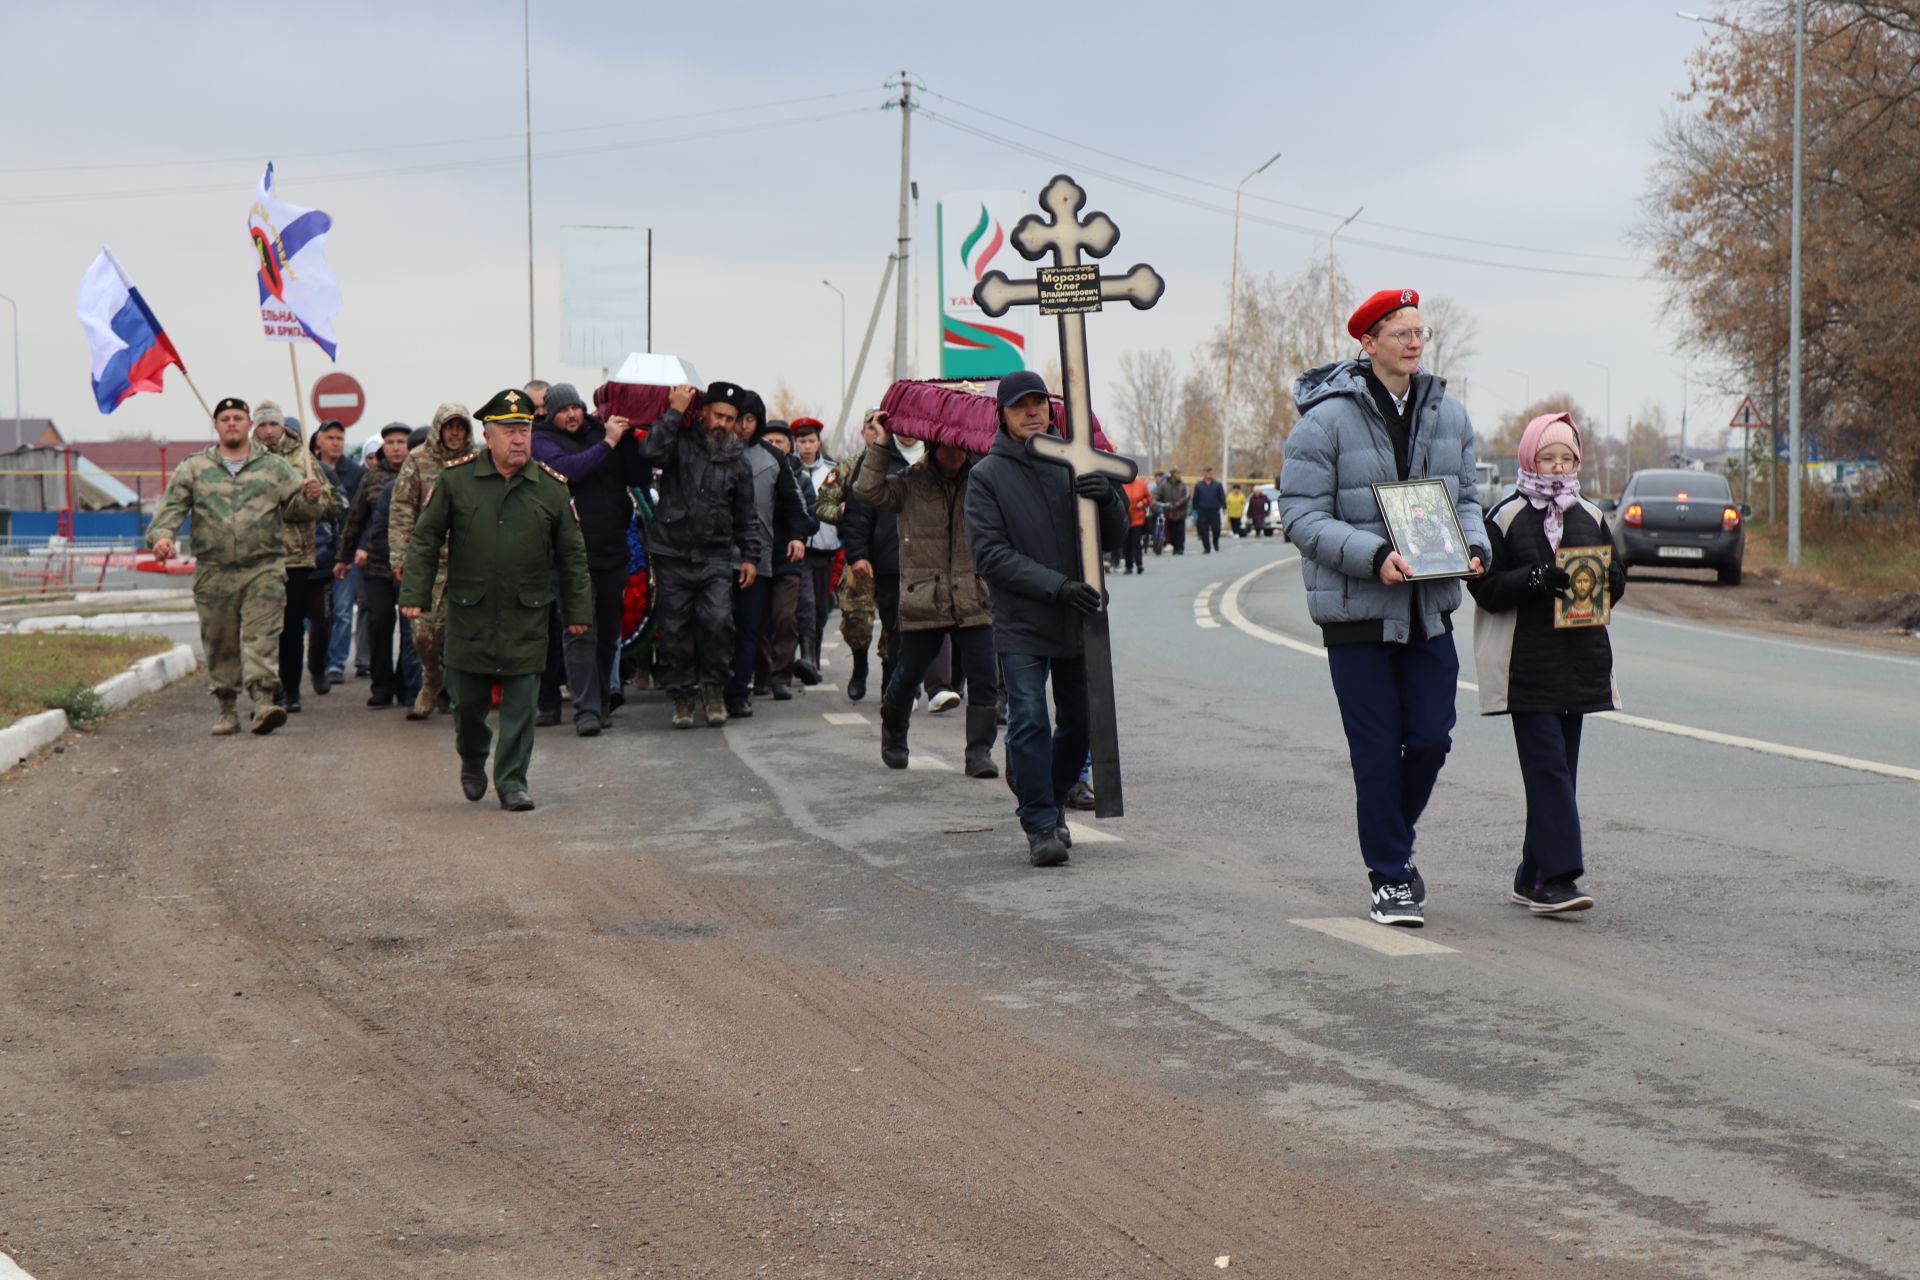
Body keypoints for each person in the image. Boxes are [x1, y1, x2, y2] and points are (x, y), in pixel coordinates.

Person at [1277, 287, 1488, 928]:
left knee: (1430, 738)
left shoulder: (1449, 415)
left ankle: (1392, 840)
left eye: (1421, 332)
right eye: (1401, 333)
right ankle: (1389, 875)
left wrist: (1474, 546)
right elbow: (1300, 516)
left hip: (1430, 608)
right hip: (1358, 613)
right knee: (1375, 750)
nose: (1416, 342)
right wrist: (1372, 556)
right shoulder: (1323, 422)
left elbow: (1471, 498)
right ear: (1368, 344)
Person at [967, 370, 1129, 868]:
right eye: (1020, 406)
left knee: (1080, 723)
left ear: (1051, 409)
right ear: (1004, 415)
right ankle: (1039, 823)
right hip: (1024, 620)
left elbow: (1116, 539)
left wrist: (1108, 499)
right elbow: (990, 556)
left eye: (1038, 403)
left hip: (1081, 618)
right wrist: (1055, 586)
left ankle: (1056, 799)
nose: (1031, 411)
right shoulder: (986, 475)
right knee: (1030, 720)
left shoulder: (1076, 463)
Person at [401, 388, 590, 812]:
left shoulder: (551, 488)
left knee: (522, 706)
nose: (519, 439)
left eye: (524, 429)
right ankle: (472, 757)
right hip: (471, 615)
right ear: (489, 435)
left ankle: (511, 781)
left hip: (527, 615)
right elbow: (426, 538)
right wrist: (415, 593)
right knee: (468, 704)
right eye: (509, 431)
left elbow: (573, 556)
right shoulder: (455, 481)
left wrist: (578, 612)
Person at [1469, 413, 1622, 914]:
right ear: (1528, 458)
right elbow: (1486, 590)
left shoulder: (1591, 515)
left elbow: (1613, 579)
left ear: (1578, 461)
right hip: (1525, 668)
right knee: (1551, 772)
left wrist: (1609, 581)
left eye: (1567, 458)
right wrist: (1535, 578)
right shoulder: (1505, 516)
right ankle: (1557, 880)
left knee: (1559, 775)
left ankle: (1530, 874)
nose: (1557, 467)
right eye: (1547, 457)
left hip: (1578, 664)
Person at [147, 396, 328, 735]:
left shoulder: (273, 468)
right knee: (220, 640)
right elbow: (170, 508)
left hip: (264, 568)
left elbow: (300, 509)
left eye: (238, 418)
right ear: (216, 426)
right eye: (225, 418)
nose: (231, 423)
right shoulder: (195, 468)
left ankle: (263, 702)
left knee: (262, 636)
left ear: (249, 426)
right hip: (215, 572)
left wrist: (312, 497)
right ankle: (227, 708)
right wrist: (161, 537)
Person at [852, 411, 999, 777]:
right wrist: (882, 444)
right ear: (933, 445)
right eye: (946, 446)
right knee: (908, 673)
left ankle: (979, 752)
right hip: (924, 597)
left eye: (959, 446)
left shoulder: (981, 481)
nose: (954, 453)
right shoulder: (910, 482)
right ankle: (895, 729)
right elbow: (868, 491)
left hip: (972, 595)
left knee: (984, 677)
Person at [637, 382, 763, 728]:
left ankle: (713, 689)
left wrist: (751, 555)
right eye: (719, 415)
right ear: (705, 411)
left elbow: (746, 512)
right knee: (675, 628)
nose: (724, 424)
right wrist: (675, 411)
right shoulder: (679, 438)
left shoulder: (737, 456)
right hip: (672, 551)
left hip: (715, 555)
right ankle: (682, 697)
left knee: (719, 622)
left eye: (731, 419)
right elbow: (649, 452)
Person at [530, 383, 645, 735]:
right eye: (563, 410)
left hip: (612, 551)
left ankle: (601, 702)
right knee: (579, 630)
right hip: (570, 558)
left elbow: (637, 476)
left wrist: (625, 442)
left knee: (609, 633)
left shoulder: (601, 430)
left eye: (575, 408)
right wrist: (608, 443)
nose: (571, 415)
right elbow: (569, 470)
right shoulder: (542, 441)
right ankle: (585, 711)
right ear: (551, 414)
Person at [723, 392, 809, 718]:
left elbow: (795, 505)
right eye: (737, 418)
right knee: (717, 623)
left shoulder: (773, 457)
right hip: (716, 554)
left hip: (756, 557)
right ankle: (715, 684)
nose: (742, 426)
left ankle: (740, 690)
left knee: (750, 626)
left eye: (749, 420)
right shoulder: (713, 451)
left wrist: (799, 537)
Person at [389, 403, 475, 721]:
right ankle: (431, 678)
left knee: (462, 633)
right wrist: (400, 557)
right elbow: (401, 510)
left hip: (469, 561)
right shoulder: (417, 461)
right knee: (424, 634)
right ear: (438, 428)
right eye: (449, 426)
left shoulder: (477, 461)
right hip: (429, 561)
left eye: (461, 426)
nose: (455, 432)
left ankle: (459, 694)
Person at [251, 404, 340, 713]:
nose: (269, 431)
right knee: (262, 628)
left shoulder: (302, 457)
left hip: (296, 558)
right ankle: (266, 691)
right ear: (255, 428)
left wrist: (314, 495)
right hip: (257, 556)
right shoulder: (247, 458)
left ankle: (291, 690)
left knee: (290, 628)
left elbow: (328, 500)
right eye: (263, 425)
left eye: (274, 424)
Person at [335, 422, 411, 707]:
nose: (395, 447)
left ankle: (407, 684)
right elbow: (355, 519)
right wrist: (344, 557)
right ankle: (381, 685)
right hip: (378, 565)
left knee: (410, 629)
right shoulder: (372, 478)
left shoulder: (417, 475)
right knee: (379, 622)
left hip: (410, 568)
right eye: (390, 442)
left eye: (401, 442)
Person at [754, 420, 819, 701]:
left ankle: (781, 676)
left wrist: (797, 534)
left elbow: (811, 519)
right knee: (756, 620)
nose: (774, 446)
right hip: (755, 557)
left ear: (788, 445)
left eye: (779, 441)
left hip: (787, 558)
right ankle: (762, 672)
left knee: (784, 617)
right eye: (768, 441)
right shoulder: (752, 472)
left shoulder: (798, 478)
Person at [810, 442, 880, 700]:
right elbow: (821, 504)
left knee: (900, 622)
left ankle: (893, 674)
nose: (878, 433)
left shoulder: (905, 462)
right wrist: (842, 513)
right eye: (872, 428)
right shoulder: (849, 466)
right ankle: (860, 665)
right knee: (856, 618)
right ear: (864, 433)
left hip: (895, 553)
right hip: (858, 555)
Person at [791, 417, 836, 684]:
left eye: (811, 441)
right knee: (805, 604)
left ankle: (814, 659)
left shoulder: (832, 470)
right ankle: (806, 659)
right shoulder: (791, 470)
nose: (807, 447)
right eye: (802, 441)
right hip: (800, 551)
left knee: (820, 607)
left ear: (819, 442)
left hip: (826, 547)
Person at [1121, 470, 1152, 575]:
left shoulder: (1141, 484)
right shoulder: (1121, 484)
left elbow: (1148, 497)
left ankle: (1139, 564)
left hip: (1138, 519)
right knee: (1126, 544)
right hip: (1125, 519)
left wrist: (1143, 503)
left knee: (1136, 542)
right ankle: (1128, 566)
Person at [1155, 468, 1190, 554]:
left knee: (1180, 531)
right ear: (1173, 474)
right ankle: (1174, 547)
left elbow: (1187, 496)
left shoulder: (1183, 485)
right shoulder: (1165, 485)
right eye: (1177, 473)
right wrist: (1154, 499)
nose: (1179, 475)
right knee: (1171, 531)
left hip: (1180, 512)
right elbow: (1157, 494)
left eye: (1179, 473)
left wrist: (1180, 502)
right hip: (1168, 512)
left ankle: (1180, 548)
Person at [1191, 466, 1226, 553]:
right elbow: (1195, 498)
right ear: (1204, 473)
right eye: (1207, 472)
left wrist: (1224, 507)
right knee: (1203, 531)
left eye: (1210, 472)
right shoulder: (1199, 485)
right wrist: (1195, 509)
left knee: (1216, 529)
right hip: (1203, 511)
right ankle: (1207, 547)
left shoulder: (1217, 485)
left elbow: (1222, 496)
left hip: (1214, 511)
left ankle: (1215, 542)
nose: (1208, 474)